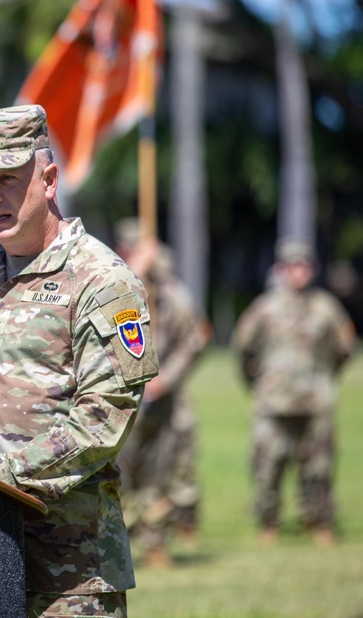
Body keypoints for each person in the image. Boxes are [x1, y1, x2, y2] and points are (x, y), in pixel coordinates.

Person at [0, 105, 159, 618]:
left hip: (68, 571)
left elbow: (102, 422)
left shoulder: (102, 281)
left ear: (49, 179)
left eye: (8, 180)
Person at [232, 238, 355, 545]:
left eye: (303, 265)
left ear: (312, 269)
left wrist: (325, 379)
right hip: (273, 401)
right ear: (283, 269)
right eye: (292, 265)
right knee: (267, 465)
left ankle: (319, 521)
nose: (298, 271)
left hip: (316, 401)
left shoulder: (326, 308)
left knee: (318, 467)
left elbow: (344, 350)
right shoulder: (265, 308)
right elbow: (244, 350)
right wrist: (258, 384)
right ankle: (268, 523)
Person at [113, 233, 207, 567]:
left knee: (160, 472)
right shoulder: (113, 286)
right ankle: (120, 543)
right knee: (118, 476)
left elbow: (193, 341)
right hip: (118, 400)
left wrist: (166, 378)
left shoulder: (173, 297)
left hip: (162, 403)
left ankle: (155, 543)